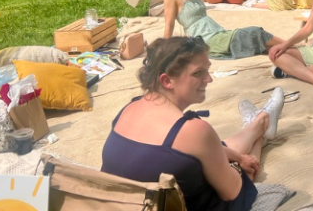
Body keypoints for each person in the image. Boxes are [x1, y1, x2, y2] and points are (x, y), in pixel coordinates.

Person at [101, 37, 286, 211]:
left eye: (207, 70)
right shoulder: (193, 130)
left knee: (213, 151)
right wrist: (239, 164)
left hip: (129, 202)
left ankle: (258, 124)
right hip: (176, 204)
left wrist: (237, 156)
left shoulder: (130, 107)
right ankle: (260, 135)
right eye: (198, 73)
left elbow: (199, 149)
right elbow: (232, 192)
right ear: (166, 81)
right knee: (241, 174)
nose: (209, 79)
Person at [164, 0, 283, 59]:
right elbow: (169, 25)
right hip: (206, 38)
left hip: (218, 32)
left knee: (262, 45)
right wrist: (164, 51)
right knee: (256, 32)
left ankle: (291, 50)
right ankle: (290, 44)